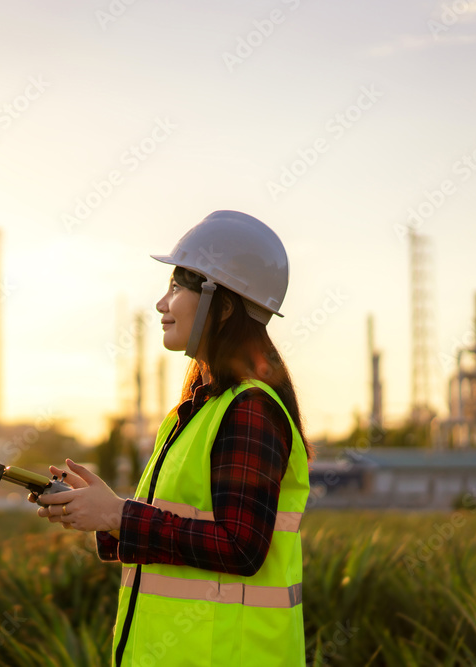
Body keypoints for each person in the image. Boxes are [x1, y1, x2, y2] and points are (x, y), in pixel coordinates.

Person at [32, 210, 314, 666]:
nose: (162, 304)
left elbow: (240, 546)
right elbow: (181, 529)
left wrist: (122, 516)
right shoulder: (198, 409)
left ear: (221, 304)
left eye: (178, 287)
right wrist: (105, 514)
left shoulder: (250, 409)